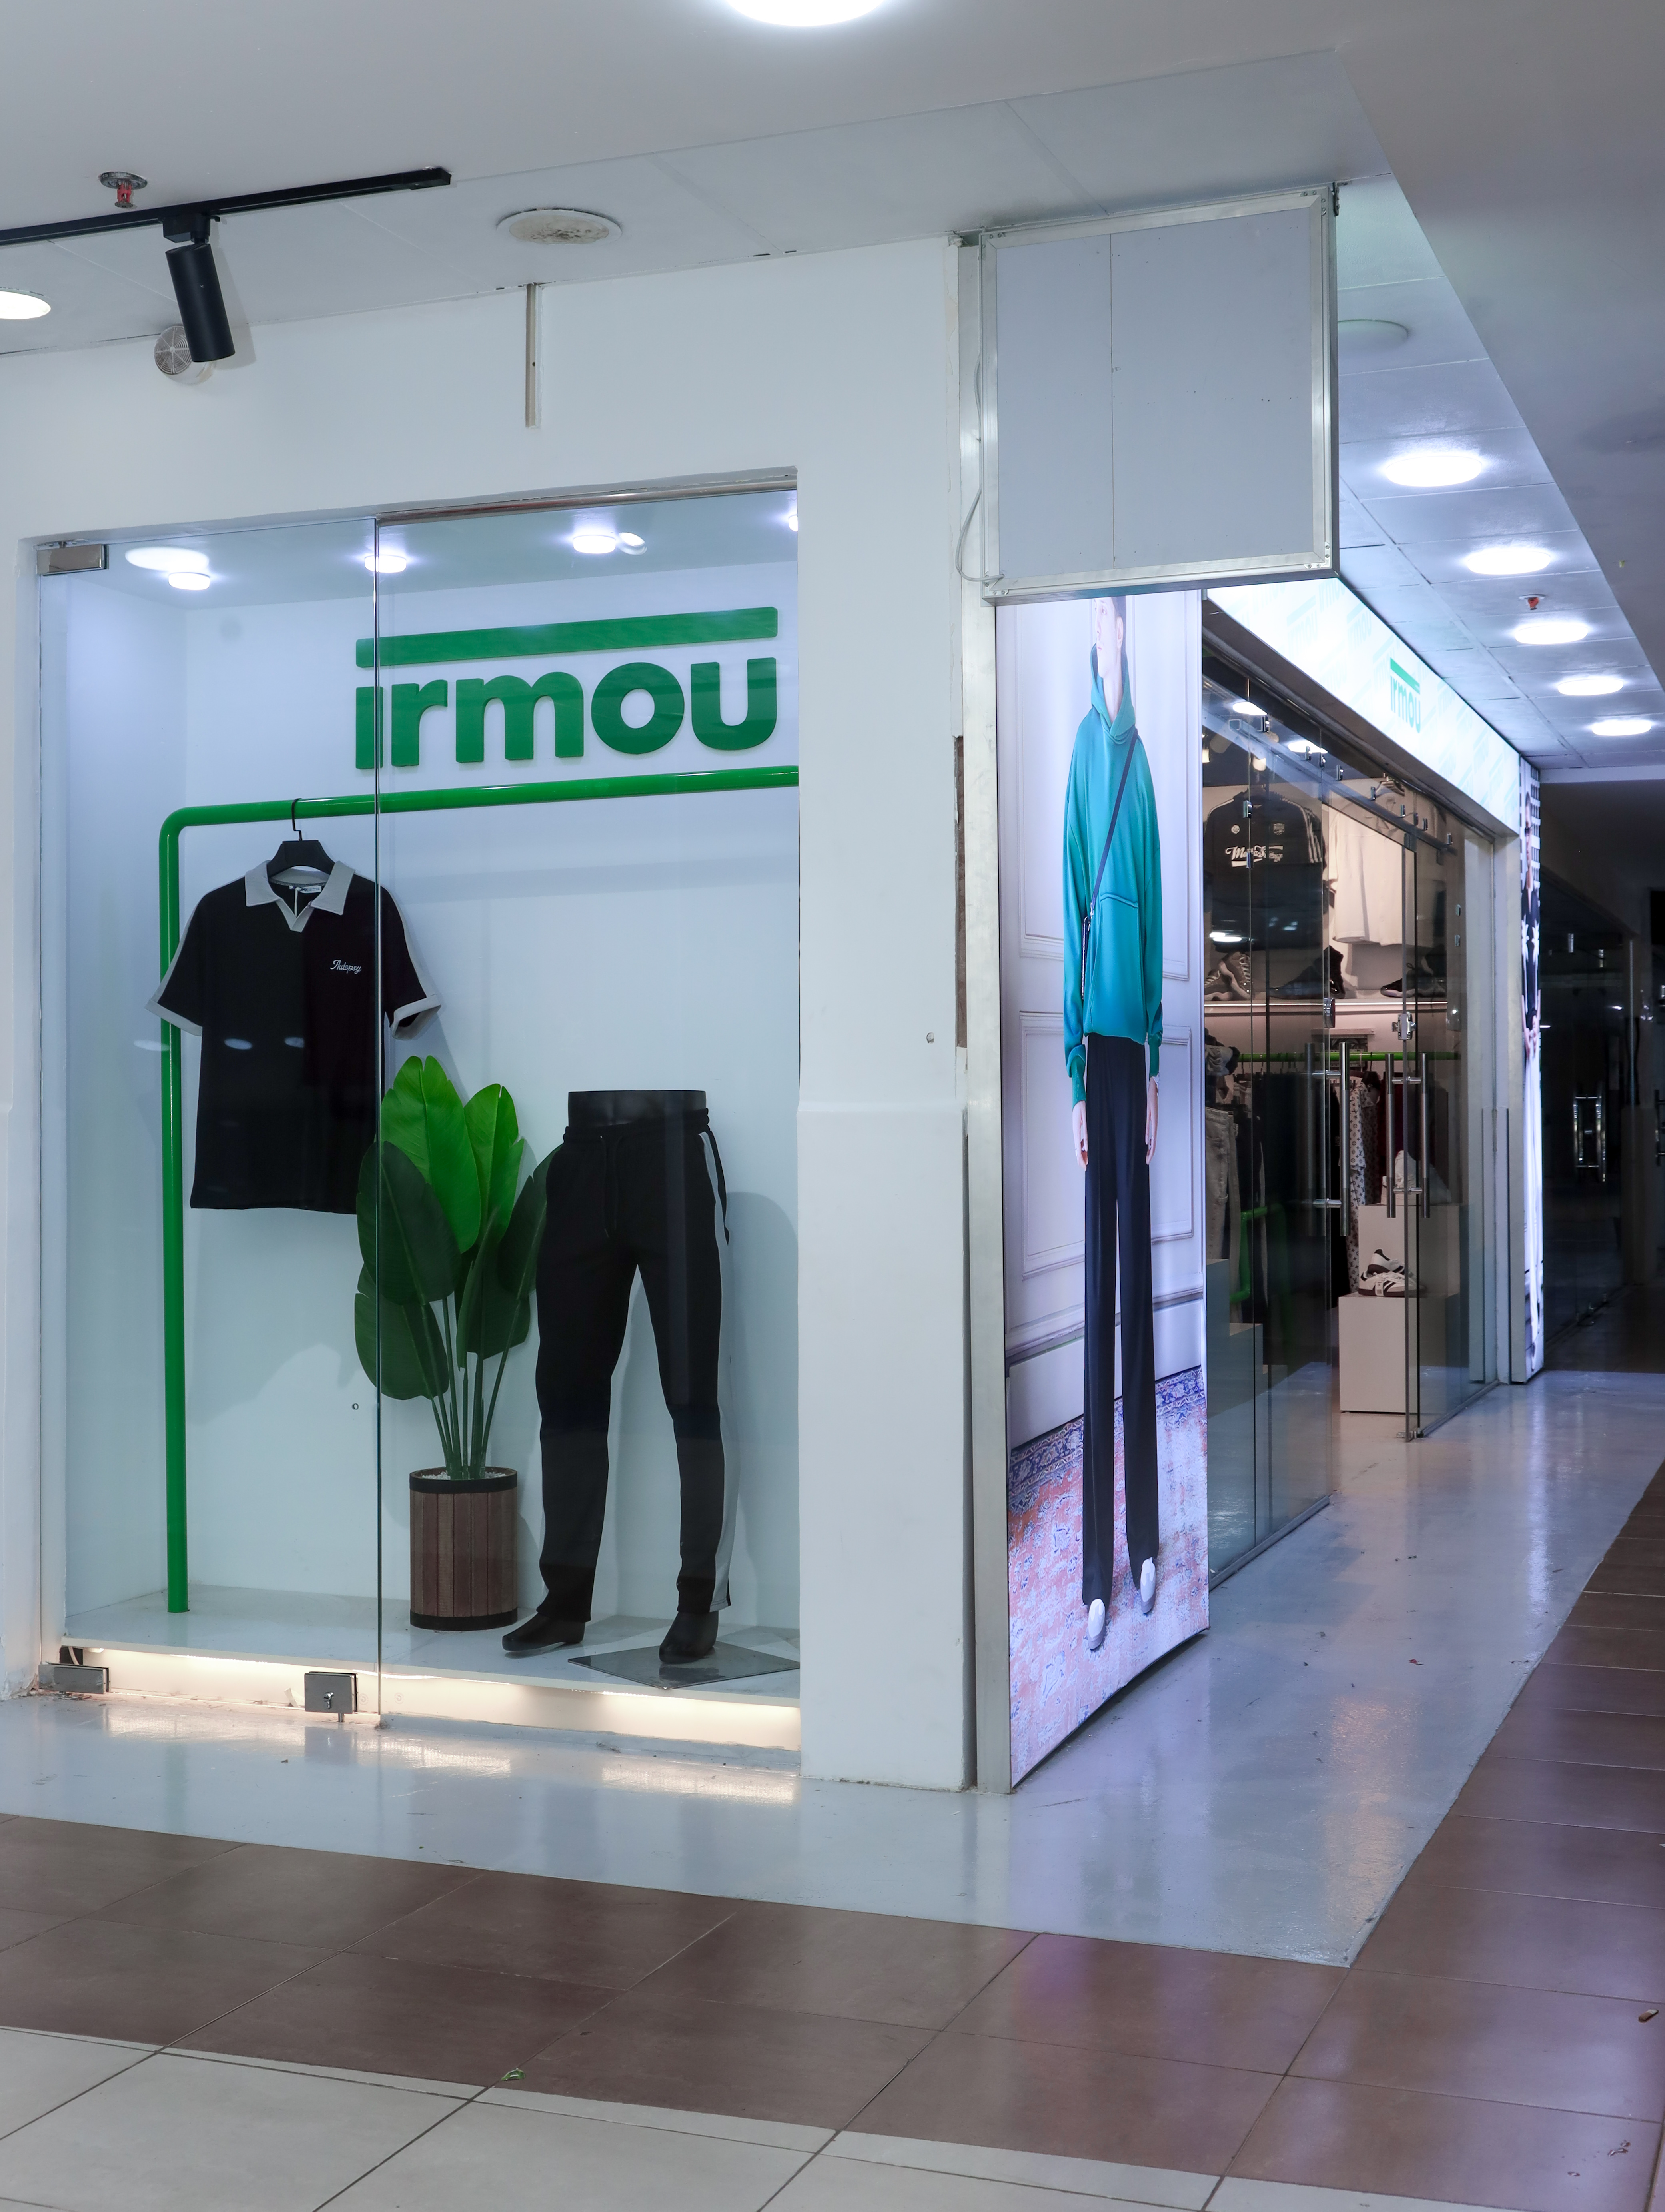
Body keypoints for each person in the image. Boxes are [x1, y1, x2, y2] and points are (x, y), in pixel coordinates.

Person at [1062, 596, 1163, 1648]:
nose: (1108, 635)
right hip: (1095, 1050)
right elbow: (1068, 910)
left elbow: (1155, 908)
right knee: (1099, 1303)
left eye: (1117, 620)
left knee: (1137, 1301)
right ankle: (1096, 1568)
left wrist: (1157, 1065)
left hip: (1135, 1048)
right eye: (1096, 621)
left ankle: (1144, 1546)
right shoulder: (1084, 762)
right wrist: (1074, 1082)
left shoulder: (1142, 774)